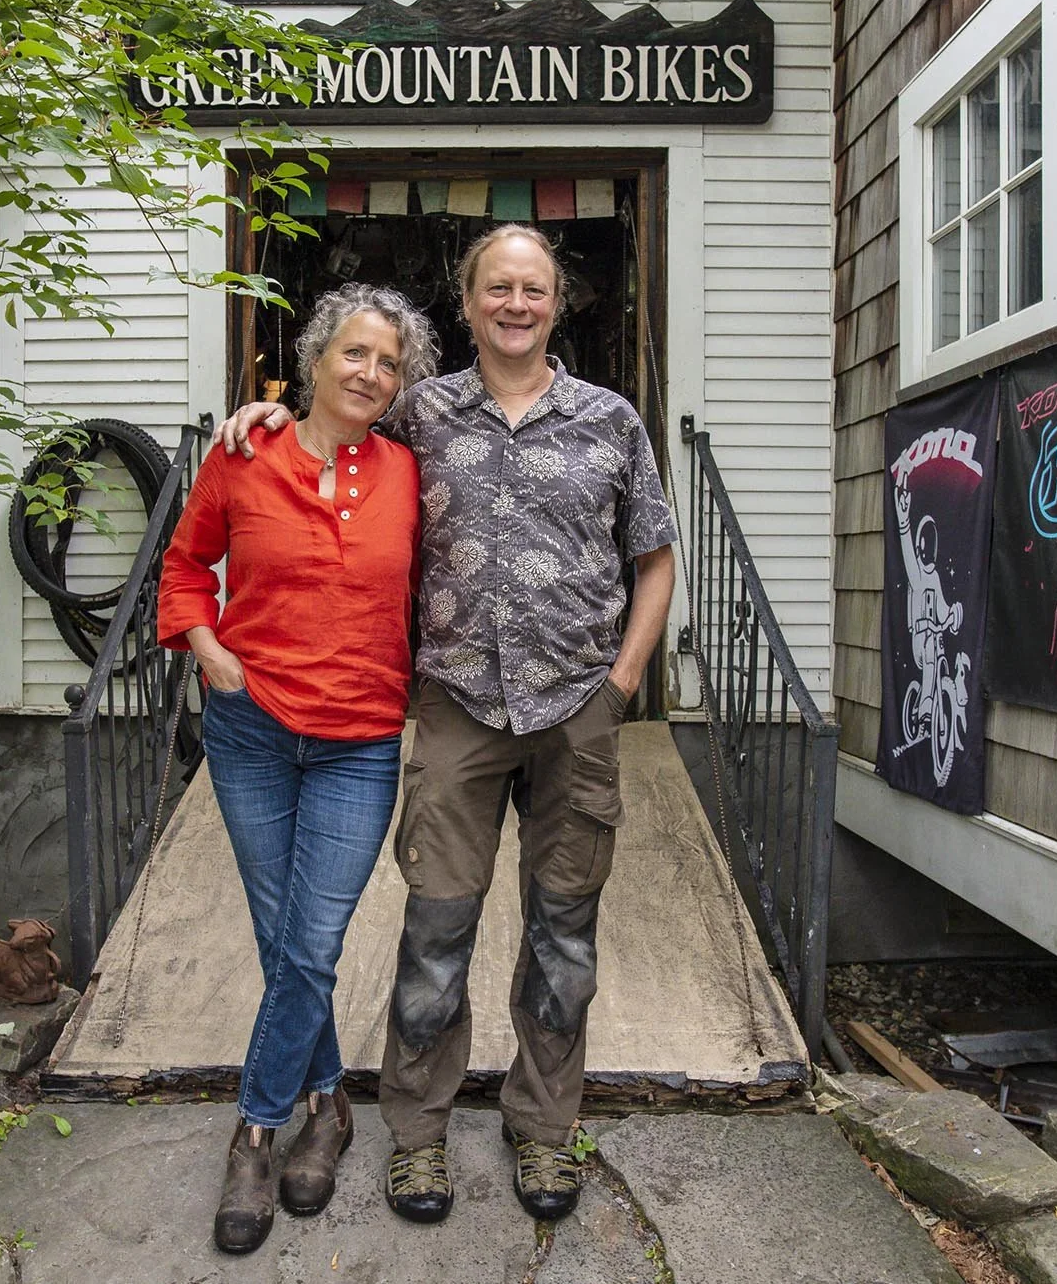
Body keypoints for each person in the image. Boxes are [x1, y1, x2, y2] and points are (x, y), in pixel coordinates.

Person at [218, 225, 677, 1225]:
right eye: (496, 289)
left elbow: (653, 557)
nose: (516, 304)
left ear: (556, 304)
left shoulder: (608, 421)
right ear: (467, 305)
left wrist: (623, 680)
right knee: (434, 932)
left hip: (575, 707)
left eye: (535, 289)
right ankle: (417, 1137)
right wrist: (266, 410)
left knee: (564, 937)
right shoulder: (420, 415)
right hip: (457, 706)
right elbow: (328, 439)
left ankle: (542, 1128)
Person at [159, 283, 438, 1254]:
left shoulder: (409, 469)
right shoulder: (243, 453)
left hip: (357, 743)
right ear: (314, 360)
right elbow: (185, 564)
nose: (370, 373)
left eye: (389, 363)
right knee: (286, 942)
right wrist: (206, 646)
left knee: (308, 944)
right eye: (354, 353)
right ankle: (328, 1105)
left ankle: (255, 1132)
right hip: (248, 733)